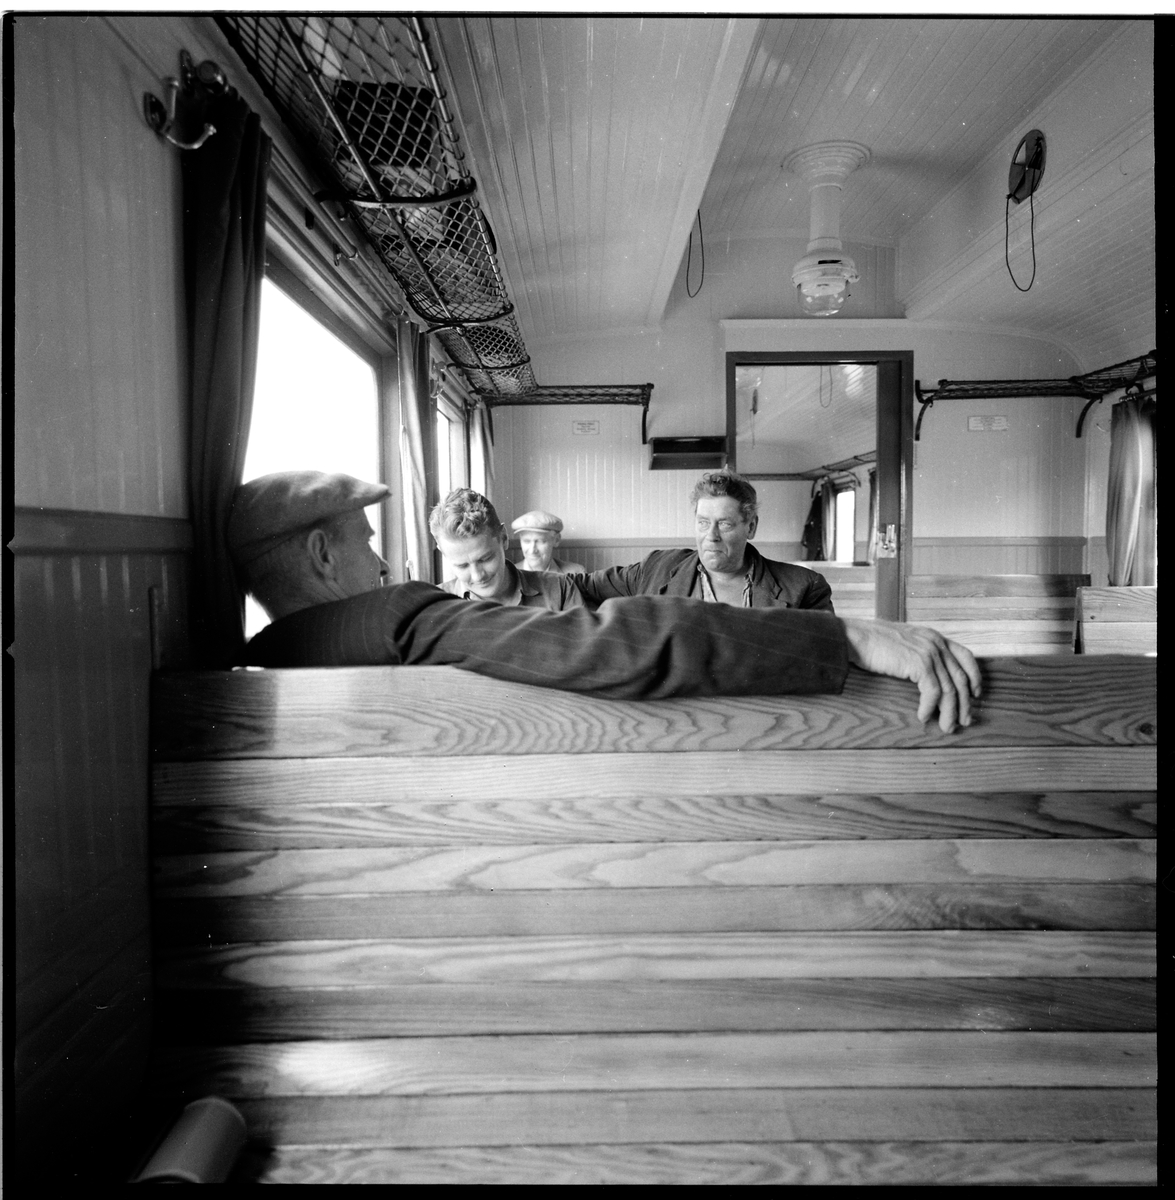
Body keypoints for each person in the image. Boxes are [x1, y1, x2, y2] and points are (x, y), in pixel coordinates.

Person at [228, 470, 982, 732]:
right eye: (364, 542)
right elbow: (620, 644)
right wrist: (847, 638)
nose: (380, 560)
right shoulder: (397, 618)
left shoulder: (270, 657)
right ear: (321, 555)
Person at [571, 470, 833, 611]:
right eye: (703, 523)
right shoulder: (657, 567)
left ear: (751, 527)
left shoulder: (803, 588)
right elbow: (579, 586)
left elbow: (822, 661)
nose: (711, 536)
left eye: (725, 524)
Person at [429, 489, 584, 612]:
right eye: (462, 566)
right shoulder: (432, 606)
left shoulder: (561, 590)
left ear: (504, 538)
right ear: (443, 553)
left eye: (485, 559)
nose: (477, 576)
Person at [510, 509, 587, 575]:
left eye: (540, 541)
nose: (532, 550)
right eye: (526, 541)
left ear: (556, 540)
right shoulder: (509, 574)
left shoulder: (575, 574)